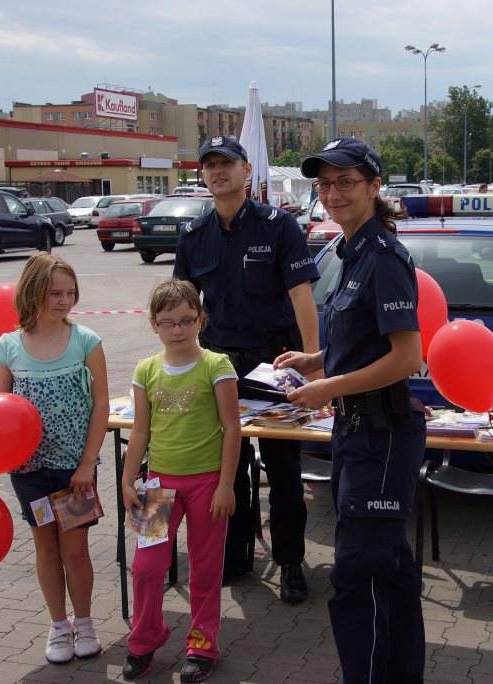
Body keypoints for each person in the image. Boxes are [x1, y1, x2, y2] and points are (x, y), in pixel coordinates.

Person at [277, 137, 427, 684]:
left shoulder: (383, 257)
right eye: (324, 184)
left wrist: (329, 386)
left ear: (373, 186)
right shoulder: (350, 252)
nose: (333, 193)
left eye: (346, 182)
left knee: (357, 576)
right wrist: (315, 360)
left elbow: (407, 357)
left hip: (381, 436)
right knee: (388, 571)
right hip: (356, 431)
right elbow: (362, 338)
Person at [172, 135, 320, 603]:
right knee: (228, 472)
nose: (218, 171)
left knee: (283, 469)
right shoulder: (194, 236)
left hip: (272, 365)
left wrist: (316, 368)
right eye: (210, 165)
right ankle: (235, 558)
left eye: (227, 163)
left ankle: (292, 562)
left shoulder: (278, 226)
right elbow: (182, 306)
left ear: (246, 168)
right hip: (218, 367)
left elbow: (302, 299)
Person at [0, 253, 109, 665]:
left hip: (75, 473)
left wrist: (88, 464)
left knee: (75, 549)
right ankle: (59, 626)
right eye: (55, 292)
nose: (64, 300)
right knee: (46, 548)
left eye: (70, 292)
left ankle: (85, 621)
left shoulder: (86, 341)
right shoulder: (7, 347)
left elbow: (101, 404)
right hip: (30, 473)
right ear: (33, 292)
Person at [120, 279, 240, 682]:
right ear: (154, 324)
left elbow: (231, 428)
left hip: (208, 484)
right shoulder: (146, 369)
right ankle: (145, 637)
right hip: (157, 485)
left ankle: (202, 644)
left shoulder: (216, 365)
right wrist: (126, 481)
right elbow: (140, 431)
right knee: (145, 567)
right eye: (168, 323)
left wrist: (226, 485)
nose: (178, 330)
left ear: (200, 320)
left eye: (187, 321)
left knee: (205, 568)